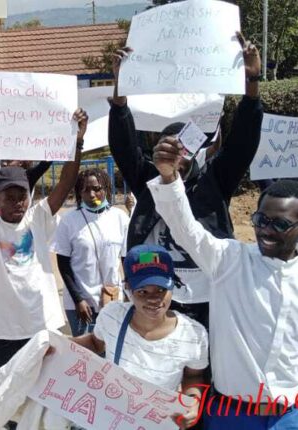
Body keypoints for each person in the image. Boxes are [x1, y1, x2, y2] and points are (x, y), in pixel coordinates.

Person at [108, 33, 263, 328]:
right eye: (167, 147)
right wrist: (119, 97)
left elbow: (243, 144)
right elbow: (124, 147)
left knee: (207, 372)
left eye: (183, 146)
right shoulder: (149, 181)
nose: (176, 154)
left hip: (212, 299)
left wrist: (252, 84)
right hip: (161, 301)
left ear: (197, 150)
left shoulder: (214, 180)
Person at [149, 132, 298, 429]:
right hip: (232, 414)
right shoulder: (229, 260)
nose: (266, 231)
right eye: (260, 220)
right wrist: (169, 178)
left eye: (279, 224)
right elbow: (184, 228)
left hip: (290, 416)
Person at [0, 109, 87, 369]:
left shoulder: (38, 218)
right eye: (10, 196)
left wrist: (77, 142)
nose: (18, 202)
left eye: (23, 196)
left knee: (44, 393)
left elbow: (65, 183)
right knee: (12, 396)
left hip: (42, 323)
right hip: (6, 330)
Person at [53, 245, 208, 429]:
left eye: (160, 289)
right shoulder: (112, 317)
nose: (153, 299)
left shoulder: (193, 335)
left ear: (173, 285)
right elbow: (95, 343)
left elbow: (193, 376)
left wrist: (192, 402)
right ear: (127, 288)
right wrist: (58, 346)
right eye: (143, 291)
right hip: (111, 419)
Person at [52, 167, 129, 336]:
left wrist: (129, 292)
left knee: (111, 353)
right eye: (86, 190)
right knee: (86, 356)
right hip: (81, 305)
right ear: (79, 193)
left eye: (97, 189)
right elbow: (63, 265)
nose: (92, 195)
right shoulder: (69, 220)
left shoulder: (120, 217)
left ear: (106, 189)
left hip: (112, 300)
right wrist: (78, 299)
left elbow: (125, 258)